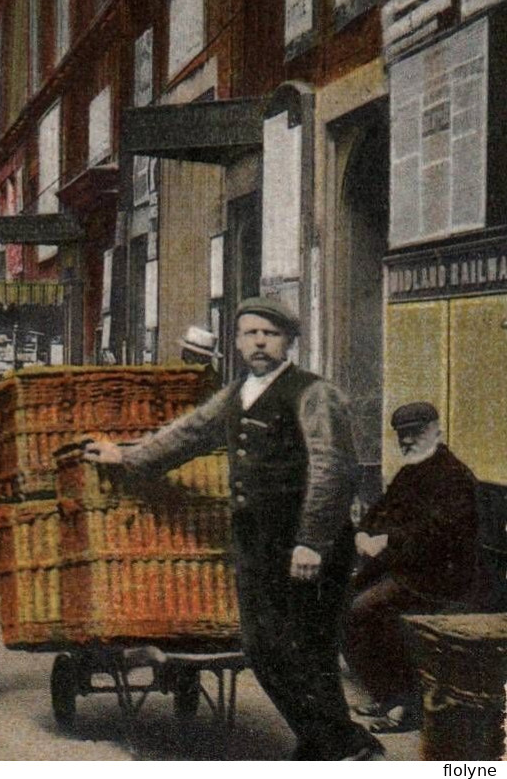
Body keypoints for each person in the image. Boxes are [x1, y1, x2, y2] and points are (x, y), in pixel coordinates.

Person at [84, 296, 383, 760]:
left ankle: (336, 746)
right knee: (264, 649)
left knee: (308, 649)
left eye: (270, 333)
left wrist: (312, 541)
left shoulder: (313, 392)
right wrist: (125, 455)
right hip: (257, 544)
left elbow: (333, 469)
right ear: (238, 341)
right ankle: (330, 742)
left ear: (287, 341)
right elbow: (186, 435)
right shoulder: (236, 393)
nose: (260, 342)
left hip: (305, 547)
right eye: (250, 333)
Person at [344, 401, 479, 733]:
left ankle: (406, 706)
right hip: (408, 569)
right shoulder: (411, 471)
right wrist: (363, 530)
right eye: (402, 435)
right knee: (343, 603)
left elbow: (439, 536)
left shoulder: (454, 475)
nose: (407, 441)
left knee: (365, 610)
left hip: (440, 578)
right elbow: (381, 508)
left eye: (416, 433)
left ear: (437, 430)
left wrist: (387, 542)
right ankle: (388, 695)